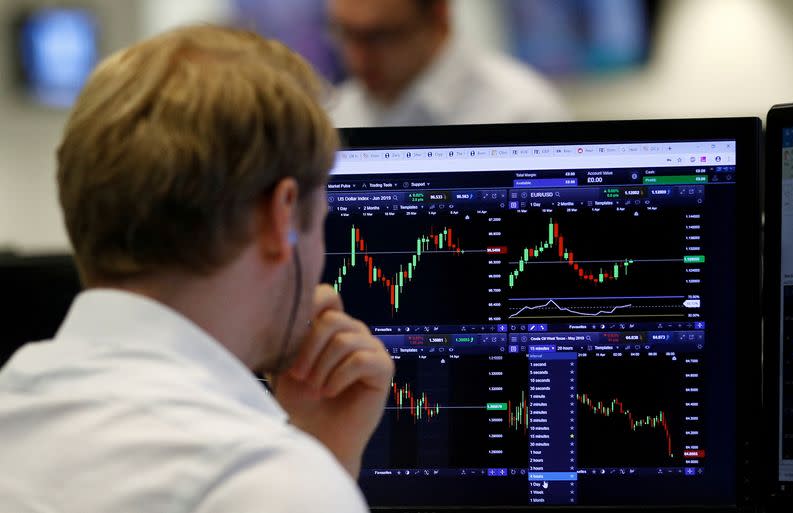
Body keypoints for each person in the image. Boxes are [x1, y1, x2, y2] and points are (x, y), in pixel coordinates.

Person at [0, 25, 393, 512]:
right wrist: (313, 476)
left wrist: (320, 455)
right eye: (321, 222)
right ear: (283, 215)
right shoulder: (261, 482)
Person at [326, 0, 569, 127]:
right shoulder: (336, 115)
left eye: (380, 36)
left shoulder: (524, 112)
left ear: (439, 16)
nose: (357, 58)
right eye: (345, 33)